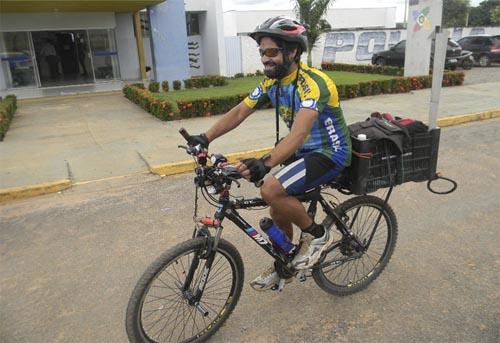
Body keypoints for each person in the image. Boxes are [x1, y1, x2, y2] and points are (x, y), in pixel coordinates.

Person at [186, 16, 352, 291]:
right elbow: (240, 111)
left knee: (271, 189)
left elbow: (298, 133)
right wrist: (205, 138)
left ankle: (319, 236)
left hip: (329, 152)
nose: (265, 58)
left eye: (272, 52)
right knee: (277, 209)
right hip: (301, 153)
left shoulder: (314, 83)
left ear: (293, 52)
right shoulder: (270, 84)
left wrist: (266, 162)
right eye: (262, 52)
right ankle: (285, 263)